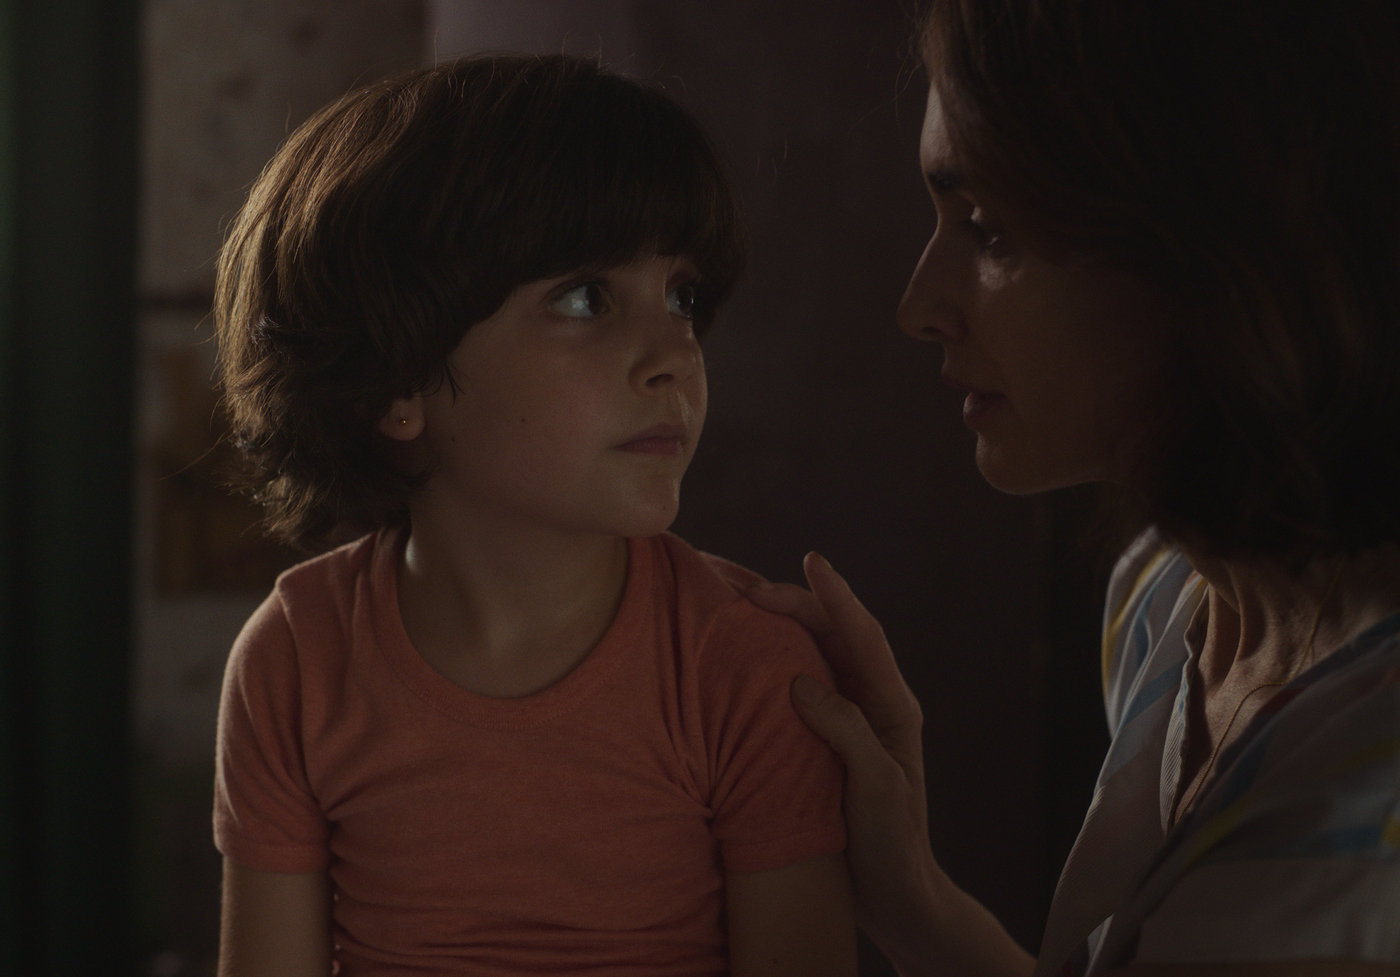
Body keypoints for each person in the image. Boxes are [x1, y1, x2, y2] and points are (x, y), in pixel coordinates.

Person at [748, 1, 1400, 975]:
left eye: (986, 229)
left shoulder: (1349, 857)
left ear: (1210, 245)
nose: (918, 306)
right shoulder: (1165, 598)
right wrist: (917, 904)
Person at [210, 54, 855, 977]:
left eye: (682, 295)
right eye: (586, 298)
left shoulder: (745, 667)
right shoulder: (296, 661)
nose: (674, 354)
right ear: (396, 383)